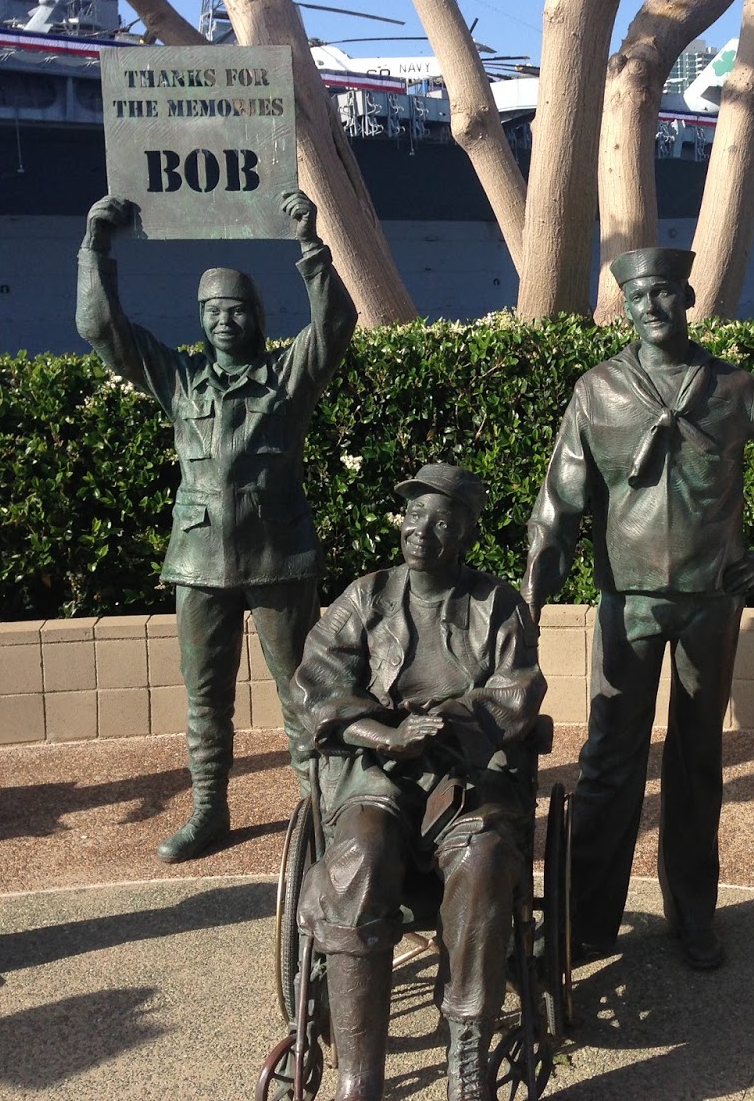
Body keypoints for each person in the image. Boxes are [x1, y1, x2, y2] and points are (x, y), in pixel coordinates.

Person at [522, 246, 754, 971]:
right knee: (607, 763)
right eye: (639, 296)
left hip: (709, 605)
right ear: (626, 306)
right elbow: (558, 506)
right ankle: (587, 920)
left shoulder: (735, 388)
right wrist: (528, 601)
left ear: (686, 296)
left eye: (664, 292)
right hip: (626, 604)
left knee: (697, 763)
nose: (652, 305)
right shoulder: (596, 391)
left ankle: (693, 914)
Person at [76, 189, 355, 862]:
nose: (223, 320)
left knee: (303, 693)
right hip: (199, 560)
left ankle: (322, 810)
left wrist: (311, 244)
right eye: (211, 311)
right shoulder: (178, 379)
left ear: (257, 317)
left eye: (235, 309)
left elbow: (337, 324)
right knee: (205, 699)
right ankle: (209, 811)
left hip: (280, 557)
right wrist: (96, 247)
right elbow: (101, 330)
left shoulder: (289, 375)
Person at [293, 464, 543, 1101]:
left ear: (464, 533)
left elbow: (517, 693)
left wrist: (446, 727)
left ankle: (466, 1053)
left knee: (486, 856)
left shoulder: (498, 606)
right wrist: (385, 737)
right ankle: (360, 1076)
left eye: (440, 521)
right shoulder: (367, 597)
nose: (420, 532)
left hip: (466, 776)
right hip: (377, 774)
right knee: (359, 857)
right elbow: (318, 684)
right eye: (412, 517)